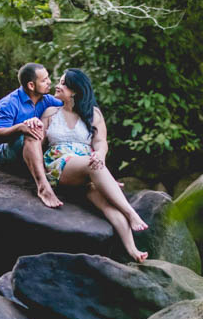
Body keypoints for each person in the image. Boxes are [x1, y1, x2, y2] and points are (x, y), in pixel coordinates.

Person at [41, 68, 149, 263]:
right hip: (60, 165)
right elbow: (37, 143)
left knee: (107, 203)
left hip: (89, 167)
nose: (57, 85)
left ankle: (133, 249)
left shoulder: (93, 114)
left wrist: (99, 154)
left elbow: (101, 142)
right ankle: (131, 213)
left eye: (63, 83)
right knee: (94, 166)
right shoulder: (50, 112)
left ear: (75, 91)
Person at [0, 63, 63, 208]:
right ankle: (43, 188)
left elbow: (69, 108)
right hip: (3, 151)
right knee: (31, 131)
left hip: (32, 149)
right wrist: (20, 128)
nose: (49, 82)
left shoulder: (47, 100)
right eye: (44, 80)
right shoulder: (9, 103)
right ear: (31, 85)